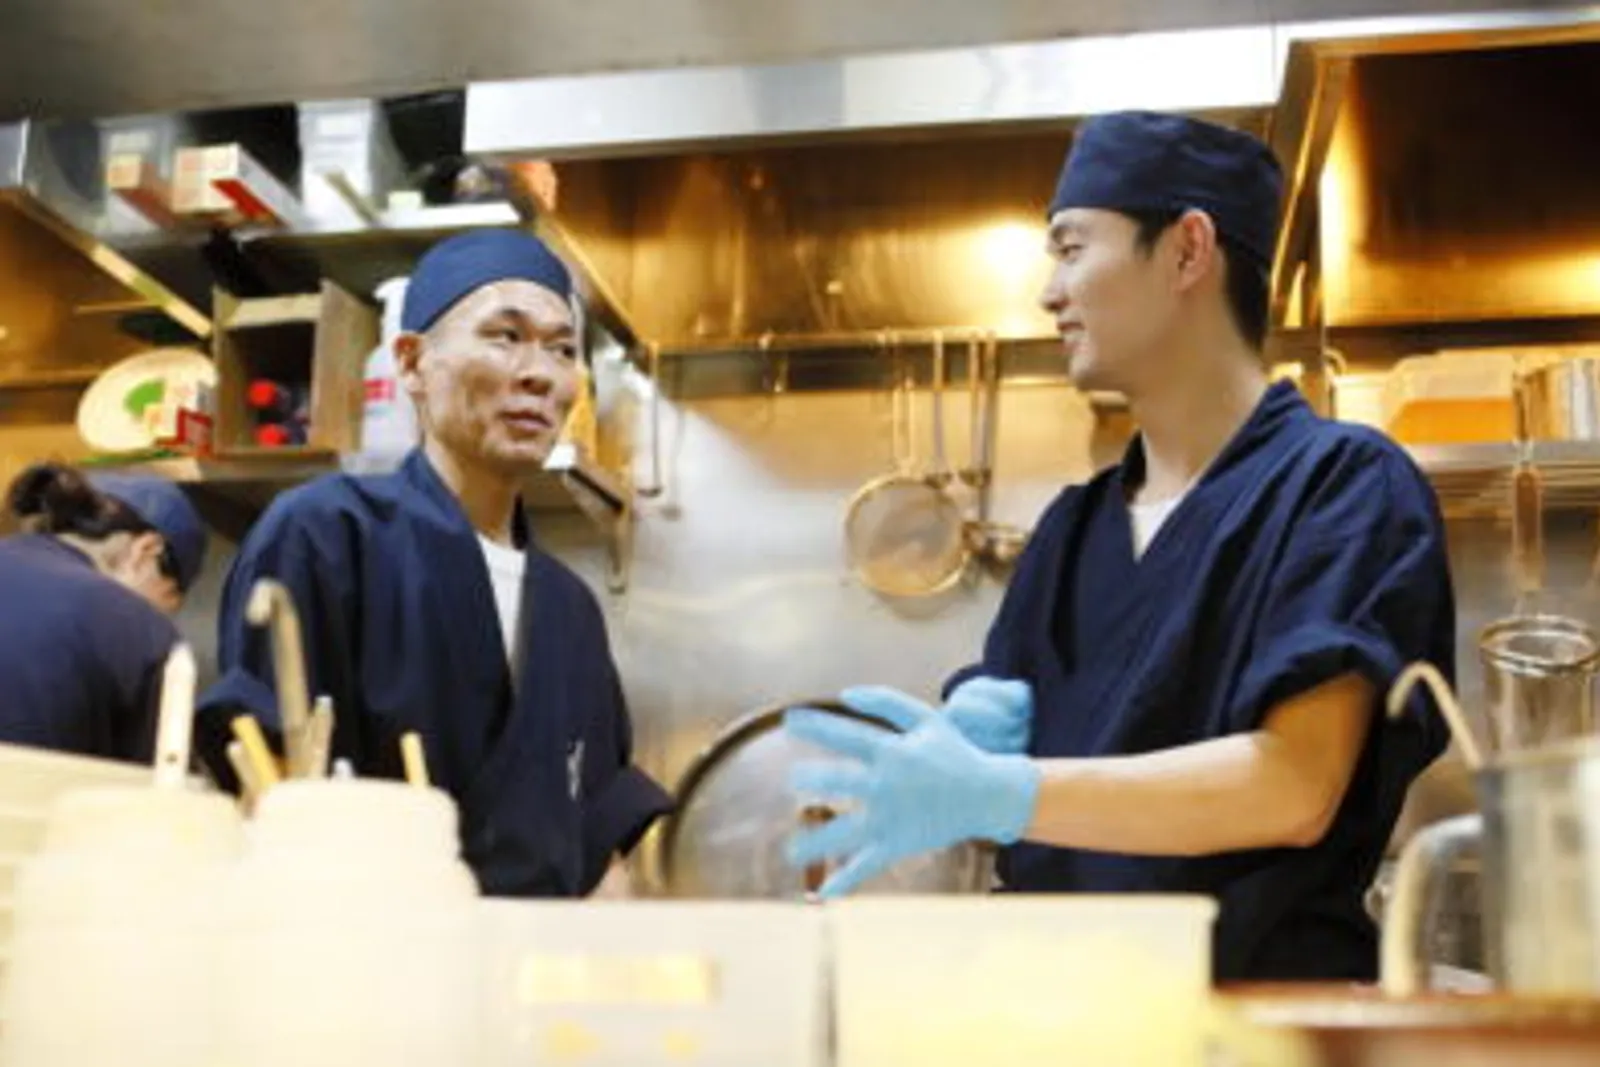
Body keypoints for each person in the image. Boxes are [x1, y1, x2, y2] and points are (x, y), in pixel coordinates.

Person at [783, 111, 1454, 982]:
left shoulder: (1342, 485)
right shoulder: (1072, 529)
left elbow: (1293, 787)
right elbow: (1023, 801)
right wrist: (967, 752)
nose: (1048, 294)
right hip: (1063, 1017)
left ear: (1186, 250)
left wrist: (1008, 790)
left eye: (1070, 249)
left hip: (1256, 1026)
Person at [198, 229, 671, 898]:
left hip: (529, 984)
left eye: (563, 348)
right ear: (412, 363)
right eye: (505, 335)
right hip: (369, 967)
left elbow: (598, 854)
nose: (540, 370)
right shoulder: (329, 534)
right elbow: (264, 792)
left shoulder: (570, 609)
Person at [0, 463, 207, 761]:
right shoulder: (137, 627)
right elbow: (157, 792)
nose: (164, 617)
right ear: (146, 551)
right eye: (169, 598)